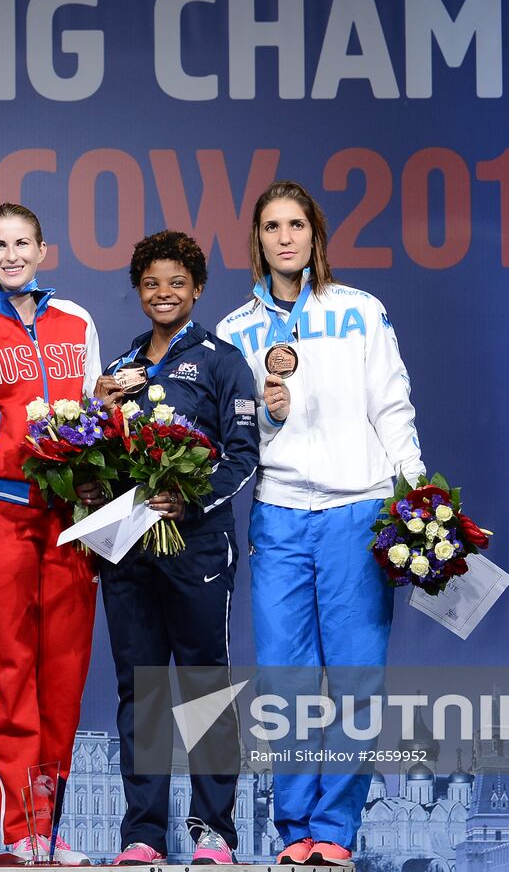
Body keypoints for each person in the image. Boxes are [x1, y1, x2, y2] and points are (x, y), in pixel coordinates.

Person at [217, 181, 425, 867]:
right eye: (272, 225)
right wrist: (269, 415)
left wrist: (414, 488)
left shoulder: (361, 310)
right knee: (285, 681)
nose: (285, 237)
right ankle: (293, 827)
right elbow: (237, 433)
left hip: (357, 509)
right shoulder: (235, 330)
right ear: (259, 238)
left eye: (296, 224)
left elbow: (392, 404)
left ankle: (335, 827)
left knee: (358, 677)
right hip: (278, 514)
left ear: (315, 234)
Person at [87, 231, 259, 866]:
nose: (164, 293)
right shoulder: (124, 363)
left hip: (197, 547)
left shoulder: (222, 360)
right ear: (138, 290)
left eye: (177, 283)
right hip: (128, 548)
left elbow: (243, 456)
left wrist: (190, 500)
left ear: (198, 290)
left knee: (206, 685)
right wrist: (98, 412)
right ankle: (144, 835)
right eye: (152, 283)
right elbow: (99, 448)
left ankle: (214, 830)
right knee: (142, 689)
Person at [0, 202, 101, 865]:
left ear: (43, 249)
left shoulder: (77, 320)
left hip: (69, 516)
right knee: (13, 670)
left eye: (22, 242)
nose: (11, 255)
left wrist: (97, 474)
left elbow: (94, 411)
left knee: (64, 673)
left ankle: (52, 824)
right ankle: (21, 830)